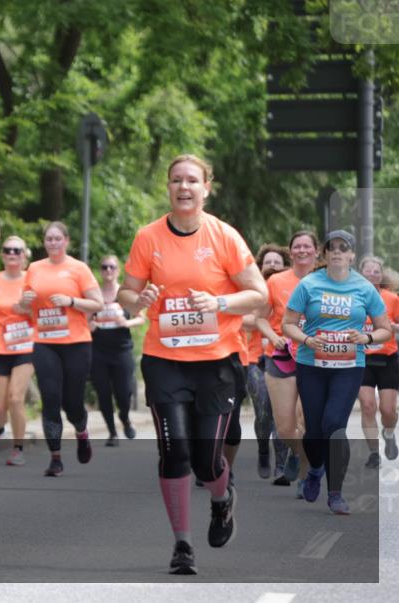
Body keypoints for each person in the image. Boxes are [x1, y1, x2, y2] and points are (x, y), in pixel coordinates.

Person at [118, 154, 267, 576]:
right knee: (174, 452)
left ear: (206, 188)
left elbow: (258, 294)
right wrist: (139, 299)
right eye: (176, 180)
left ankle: (222, 499)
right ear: (168, 187)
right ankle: (182, 544)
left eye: (192, 181)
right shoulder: (148, 237)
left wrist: (219, 302)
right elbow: (126, 294)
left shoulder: (224, 236)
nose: (184, 187)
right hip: (165, 360)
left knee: (206, 461)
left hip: (216, 362)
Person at [282, 230, 391, 515]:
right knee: (313, 432)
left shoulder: (364, 288)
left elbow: (385, 329)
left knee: (334, 425)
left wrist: (366, 338)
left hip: (348, 367)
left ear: (352, 255)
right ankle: (315, 468)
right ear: (325, 254)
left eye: (344, 248)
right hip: (311, 366)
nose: (338, 252)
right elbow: (287, 324)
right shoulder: (309, 284)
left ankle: (335, 493)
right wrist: (307, 340)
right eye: (333, 248)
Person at [20, 222, 104, 476]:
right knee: (50, 398)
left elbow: (97, 303)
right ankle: (55, 458)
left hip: (76, 343)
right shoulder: (34, 268)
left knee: (72, 402)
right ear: (44, 242)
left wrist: (71, 301)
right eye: (49, 239)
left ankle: (81, 432)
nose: (53, 243)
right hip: (45, 342)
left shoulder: (78, 268)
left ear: (66, 241)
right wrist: (25, 301)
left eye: (57, 238)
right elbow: (24, 307)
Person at [255, 231, 320, 498]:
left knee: (305, 419)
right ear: (290, 252)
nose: (302, 250)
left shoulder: (327, 281)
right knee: (284, 427)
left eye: (307, 246)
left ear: (316, 251)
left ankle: (306, 475)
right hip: (281, 357)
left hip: (315, 358)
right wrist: (273, 338)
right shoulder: (276, 281)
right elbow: (260, 318)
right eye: (297, 246)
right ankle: (298, 453)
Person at [0, 236, 35, 465]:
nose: (12, 254)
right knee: (0, 406)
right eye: (8, 250)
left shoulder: (33, 280)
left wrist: (26, 309)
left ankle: (18, 449)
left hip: (25, 345)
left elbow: (44, 313)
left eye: (17, 250)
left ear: (25, 255)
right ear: (2, 254)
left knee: (15, 398)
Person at [90, 254, 144, 447]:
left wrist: (126, 322)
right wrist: (89, 324)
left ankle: (125, 417)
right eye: (104, 267)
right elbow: (84, 317)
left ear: (118, 270)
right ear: (100, 270)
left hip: (121, 349)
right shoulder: (94, 294)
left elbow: (141, 318)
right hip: (98, 350)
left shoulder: (124, 294)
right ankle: (112, 432)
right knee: (103, 392)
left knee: (124, 392)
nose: (108, 271)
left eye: (112, 267)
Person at [248, 244, 292, 482]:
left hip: (284, 358)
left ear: (285, 265)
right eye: (268, 262)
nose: (273, 266)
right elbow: (240, 319)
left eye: (277, 262)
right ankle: (263, 448)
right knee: (263, 414)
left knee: (281, 414)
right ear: (260, 266)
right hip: (255, 357)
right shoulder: (252, 290)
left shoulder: (291, 289)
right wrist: (258, 320)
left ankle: (281, 467)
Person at [355, 256, 399, 468]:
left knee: (388, 410)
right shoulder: (352, 298)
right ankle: (374, 452)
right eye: (368, 271)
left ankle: (389, 433)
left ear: (381, 276)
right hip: (361, 358)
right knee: (367, 405)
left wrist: (392, 327)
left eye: (376, 271)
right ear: (360, 274)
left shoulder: (391, 299)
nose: (372, 274)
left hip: (388, 358)